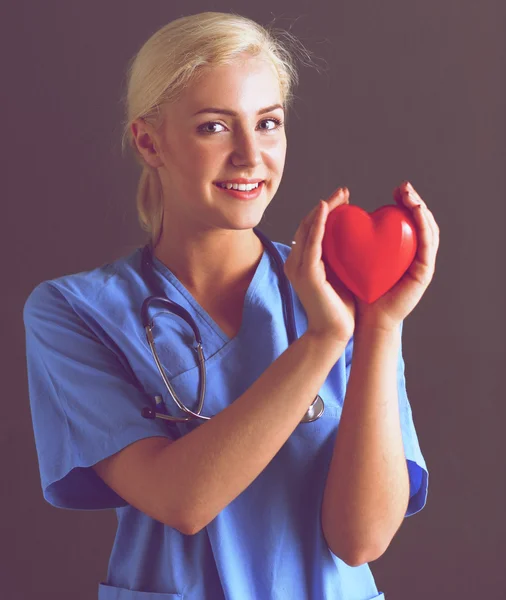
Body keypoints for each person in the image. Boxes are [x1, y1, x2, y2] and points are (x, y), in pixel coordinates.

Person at [23, 11, 439, 600]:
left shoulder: (347, 289)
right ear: (149, 141)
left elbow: (361, 540)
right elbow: (183, 500)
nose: (250, 156)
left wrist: (380, 326)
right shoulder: (74, 313)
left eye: (268, 124)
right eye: (214, 128)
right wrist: (322, 342)